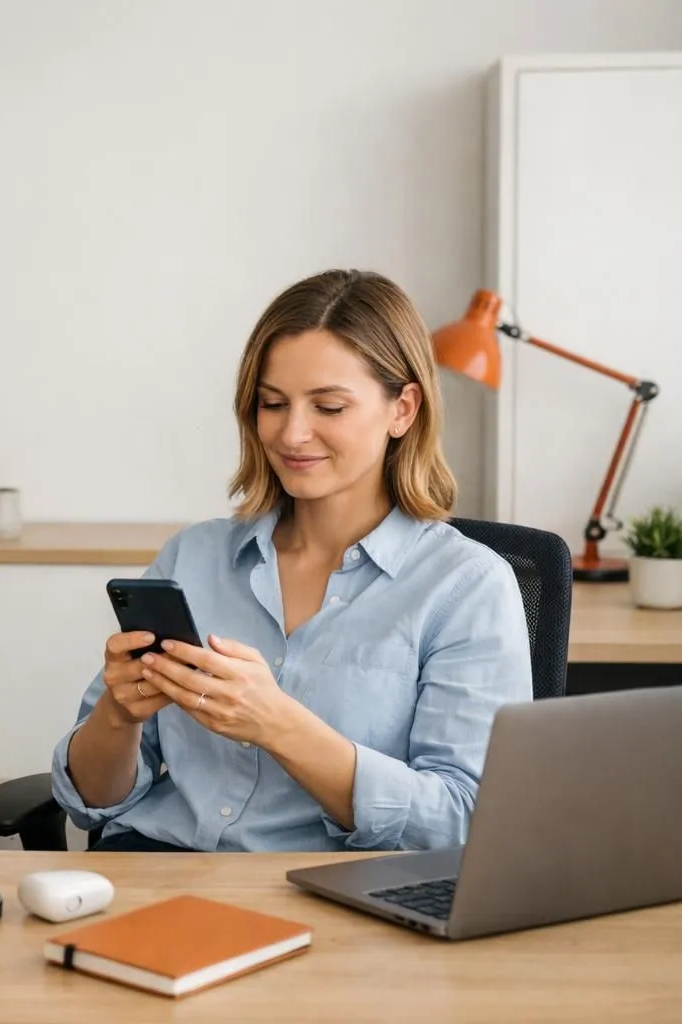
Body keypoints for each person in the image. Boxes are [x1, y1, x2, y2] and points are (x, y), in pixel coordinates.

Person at [53, 269, 533, 854]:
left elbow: (465, 821)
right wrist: (118, 715)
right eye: (272, 404)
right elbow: (90, 802)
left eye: (328, 406)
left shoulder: (467, 587)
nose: (292, 433)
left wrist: (278, 724)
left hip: (334, 902)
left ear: (403, 410)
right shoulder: (194, 557)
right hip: (159, 876)